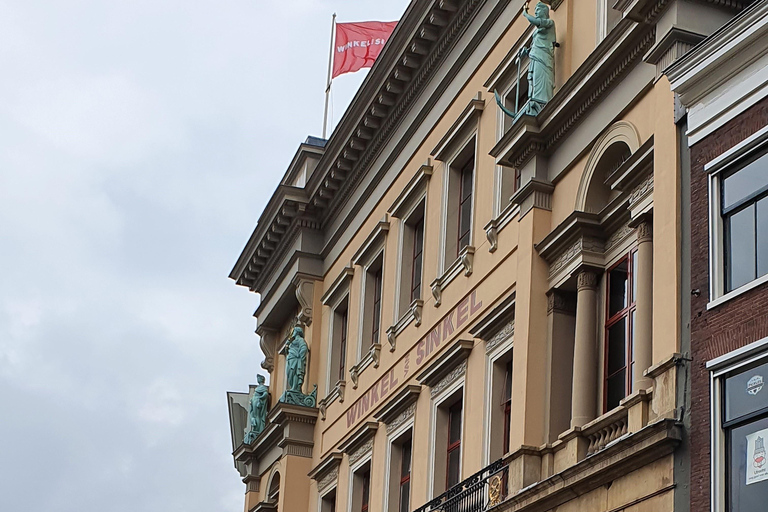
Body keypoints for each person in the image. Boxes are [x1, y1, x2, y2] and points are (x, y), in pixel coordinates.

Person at [521, 1, 556, 115]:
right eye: (535, 10)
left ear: (545, 12)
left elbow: (537, 22)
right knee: (534, 79)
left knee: (542, 79)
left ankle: (542, 104)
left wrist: (526, 14)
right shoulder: (537, 31)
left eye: (538, 10)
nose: (536, 12)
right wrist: (527, 51)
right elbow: (535, 44)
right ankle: (535, 102)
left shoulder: (549, 23)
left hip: (544, 58)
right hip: (535, 57)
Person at [281, 325, 308, 393]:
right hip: (290, 359)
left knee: (296, 372)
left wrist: (300, 356)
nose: (293, 333)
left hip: (296, 358)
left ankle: (295, 387)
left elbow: (304, 347)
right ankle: (293, 386)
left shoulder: (300, 339)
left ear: (297, 332)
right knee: (290, 373)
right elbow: (287, 351)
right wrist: (287, 346)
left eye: (294, 331)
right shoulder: (291, 341)